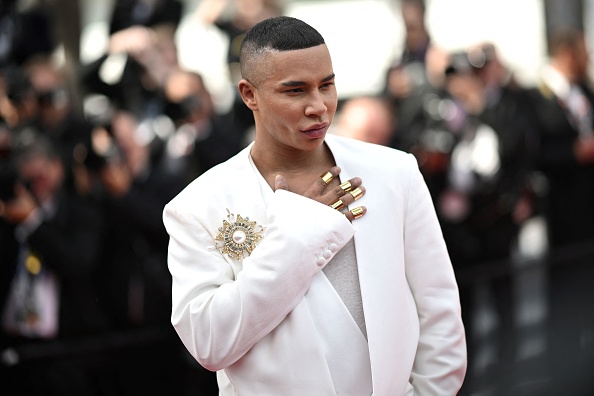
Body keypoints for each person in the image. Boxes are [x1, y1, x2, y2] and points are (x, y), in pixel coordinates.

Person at [163, 16, 466, 395]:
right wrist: (297, 234)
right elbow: (209, 343)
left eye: (327, 85)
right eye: (295, 91)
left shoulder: (393, 172)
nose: (319, 106)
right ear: (248, 94)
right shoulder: (198, 205)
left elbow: (438, 312)